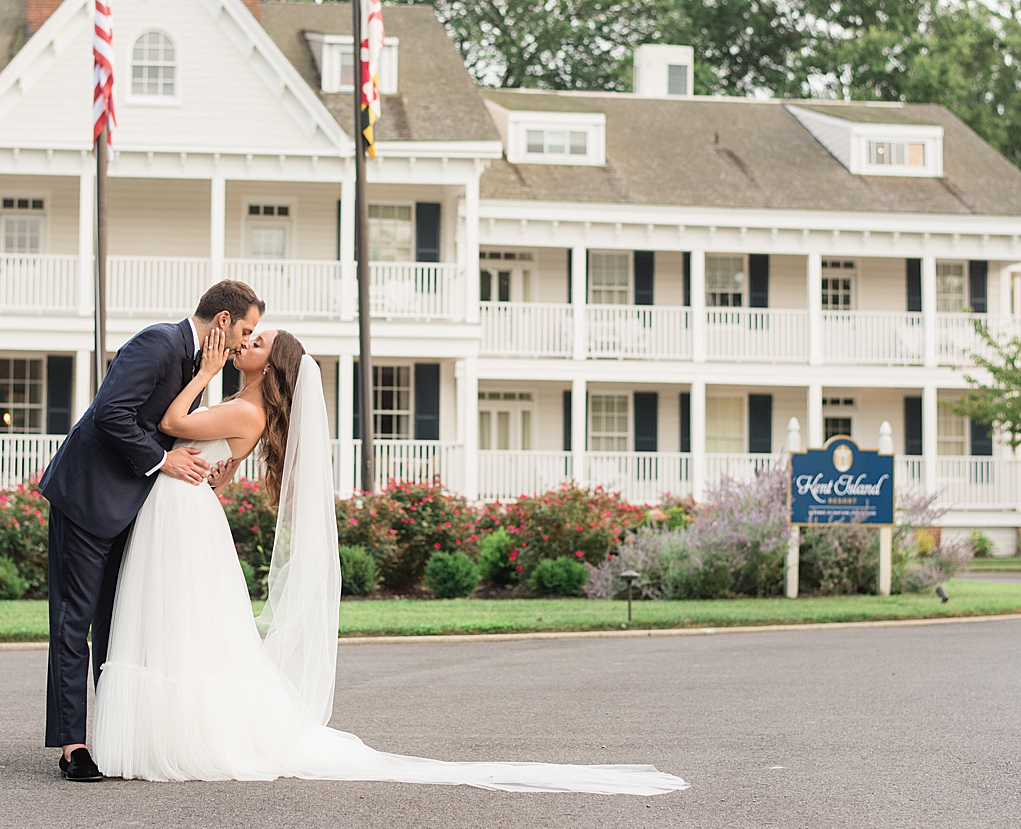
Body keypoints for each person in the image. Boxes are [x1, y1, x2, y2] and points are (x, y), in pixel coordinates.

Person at [89, 325, 689, 796]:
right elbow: (210, 469)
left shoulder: (246, 409)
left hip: (181, 519)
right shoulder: (243, 407)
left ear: (271, 365)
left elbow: (170, 422)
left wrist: (205, 370)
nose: (248, 341)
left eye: (260, 341)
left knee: (181, 628)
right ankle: (165, 731)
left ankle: (178, 737)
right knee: (183, 631)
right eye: (253, 335)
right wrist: (212, 454)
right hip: (181, 509)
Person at [38, 280, 264, 782]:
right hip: (88, 496)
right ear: (222, 322)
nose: (247, 340)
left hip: (135, 509)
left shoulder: (201, 365)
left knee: (120, 626)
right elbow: (110, 413)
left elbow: (180, 426)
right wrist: (162, 460)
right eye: (246, 329)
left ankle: (119, 738)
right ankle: (73, 748)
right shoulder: (159, 343)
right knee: (75, 623)